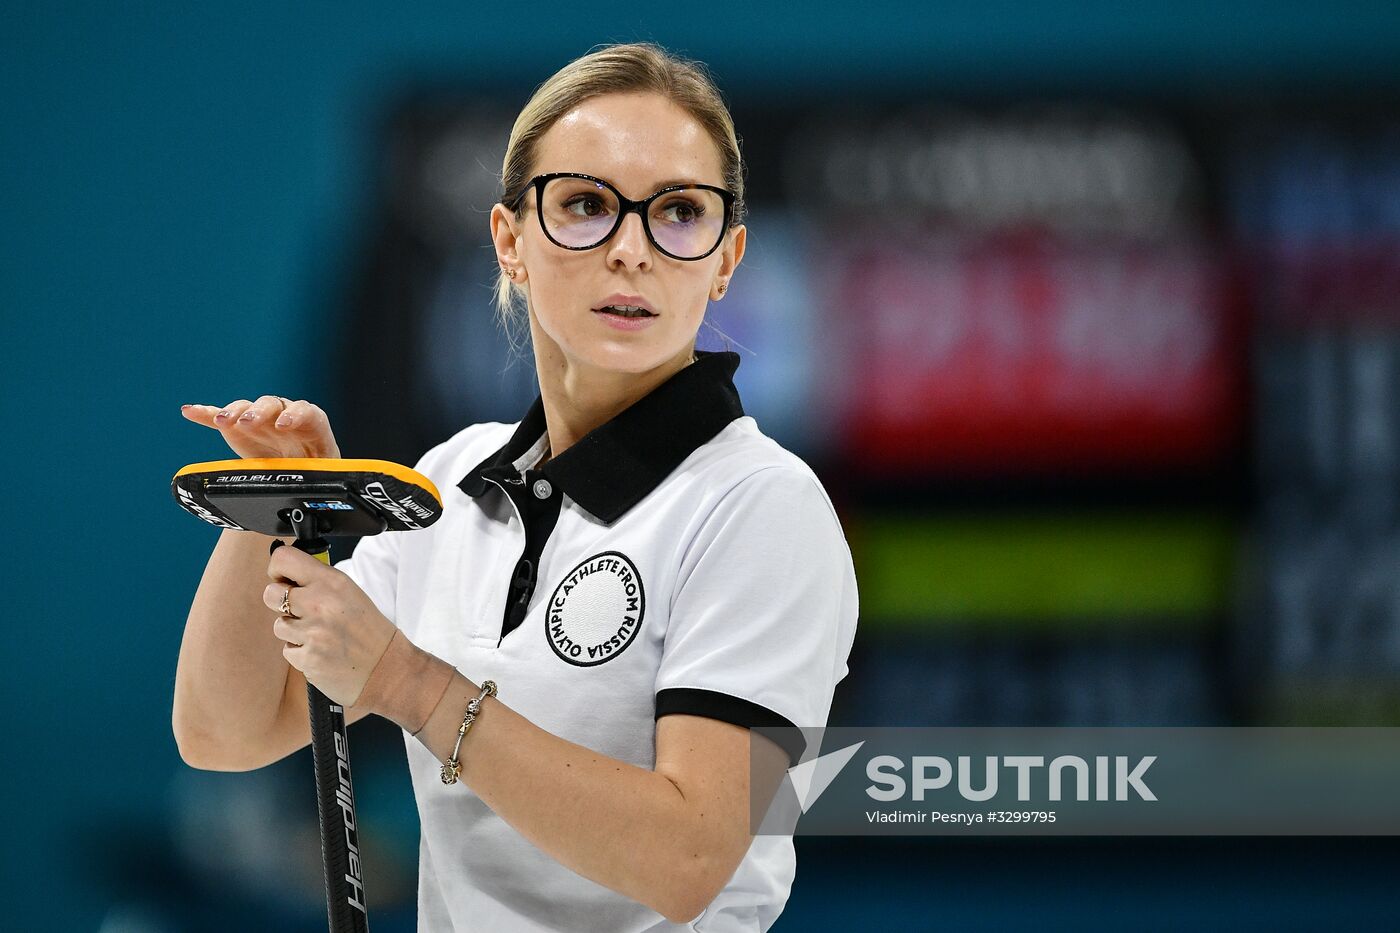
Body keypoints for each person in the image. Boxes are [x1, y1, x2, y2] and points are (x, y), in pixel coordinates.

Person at [173, 41, 858, 932]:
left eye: (678, 213)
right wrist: (273, 506)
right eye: (584, 206)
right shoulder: (451, 480)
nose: (631, 250)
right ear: (510, 241)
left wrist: (410, 684)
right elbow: (223, 733)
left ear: (725, 259)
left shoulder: (763, 507)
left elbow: (688, 857)